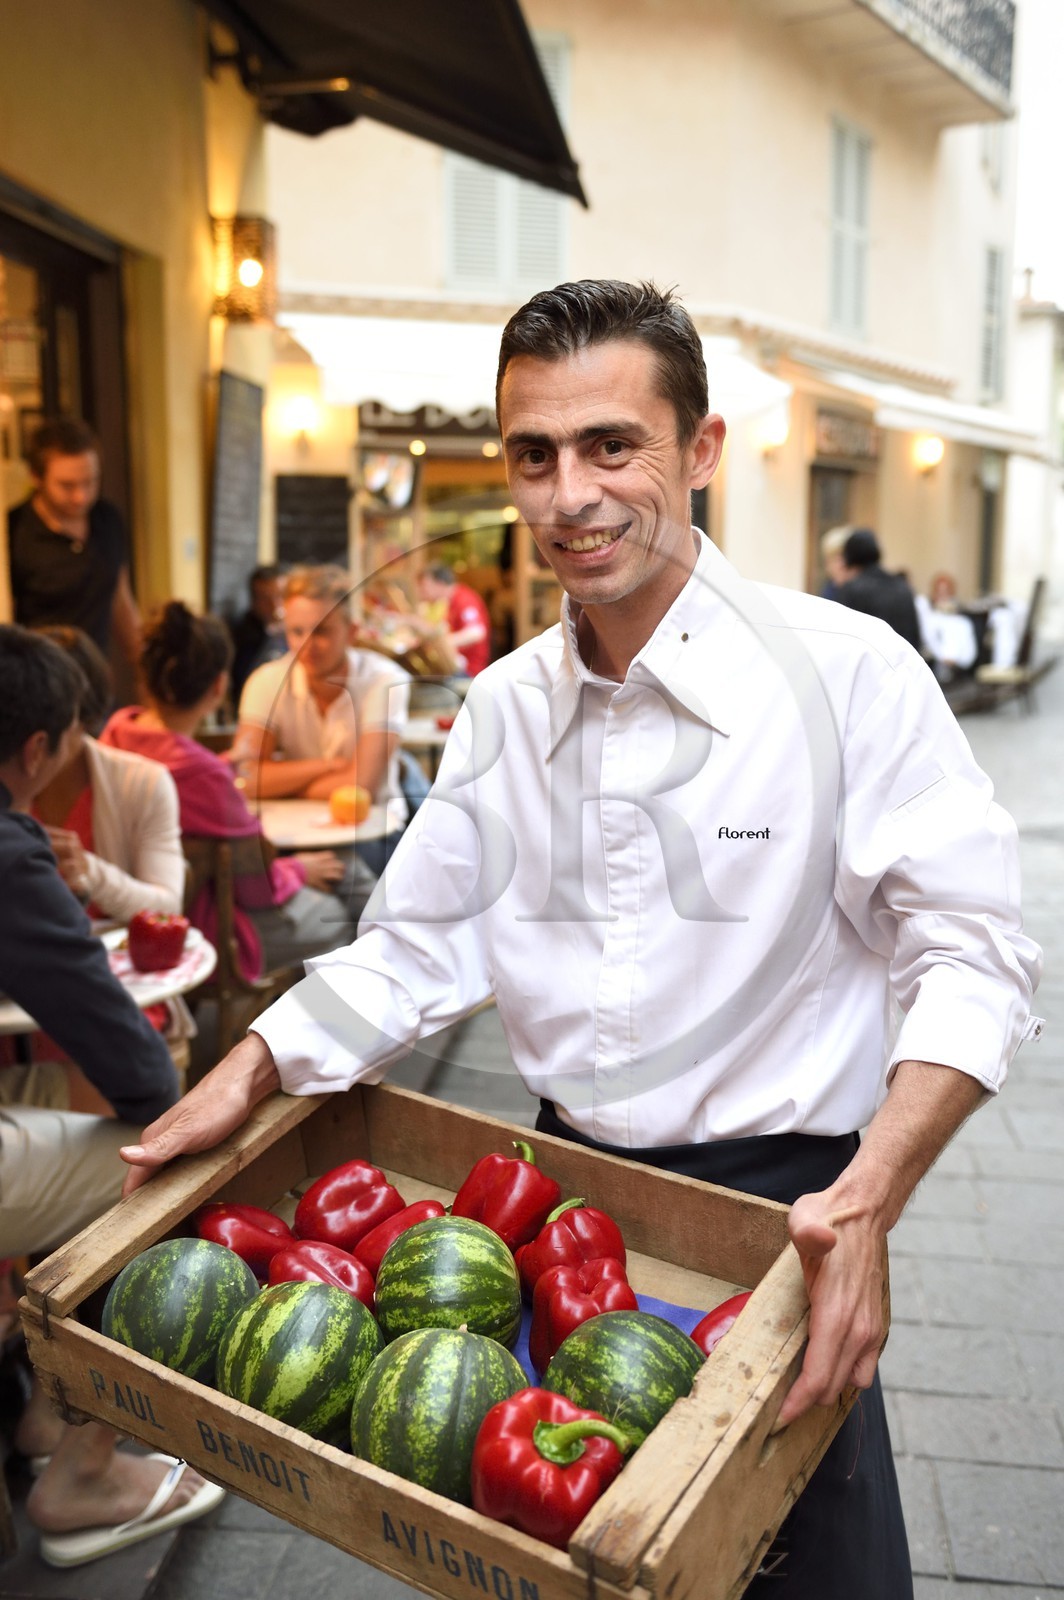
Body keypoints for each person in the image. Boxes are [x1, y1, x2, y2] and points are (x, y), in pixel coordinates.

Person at [118, 281, 1041, 1599]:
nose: (569, 495)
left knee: (799, 1572)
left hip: (787, 1225)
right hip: (553, 1219)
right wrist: (249, 1067)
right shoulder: (500, 711)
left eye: (613, 446)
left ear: (700, 452)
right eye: (535, 455)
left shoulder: (847, 678)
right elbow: (419, 946)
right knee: (568, 1554)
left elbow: (974, 950)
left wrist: (870, 1198)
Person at [0, 625, 224, 1564]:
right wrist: (173, 1115)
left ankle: (46, 1403)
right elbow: (120, 1045)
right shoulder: (11, 850)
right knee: (174, 1164)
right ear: (39, 749)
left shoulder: (140, 781)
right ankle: (86, 1465)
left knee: (75, 1096)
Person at [102, 602, 361, 976]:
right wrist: (298, 869)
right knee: (342, 908)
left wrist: (219, 768)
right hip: (205, 929)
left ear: (144, 677)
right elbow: (259, 887)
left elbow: (169, 781)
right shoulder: (205, 779)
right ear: (219, 686)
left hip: (123, 915)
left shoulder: (115, 737)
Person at [233, 564, 412, 875]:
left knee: (339, 877)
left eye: (322, 631)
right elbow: (245, 777)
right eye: (296, 631)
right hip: (292, 832)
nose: (306, 645)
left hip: (372, 831)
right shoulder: (267, 680)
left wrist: (278, 782)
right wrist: (328, 768)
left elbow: (359, 788)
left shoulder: (385, 680)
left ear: (352, 632)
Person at [31, 626, 184, 924]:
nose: (37, 738)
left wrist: (89, 871)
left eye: (54, 715)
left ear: (84, 716)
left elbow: (167, 908)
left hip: (108, 961)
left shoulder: (143, 782)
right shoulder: (13, 779)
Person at [7, 419, 142, 672]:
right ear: (36, 477)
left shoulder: (108, 519)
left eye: (90, 482)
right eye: (67, 486)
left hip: (97, 685)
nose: (81, 496)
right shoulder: (13, 531)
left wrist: (146, 673)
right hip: (41, 687)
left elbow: (121, 600)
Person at [832, 527, 923, 651]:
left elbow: (843, 641)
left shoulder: (852, 590)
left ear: (849, 557)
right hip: (902, 665)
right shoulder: (902, 587)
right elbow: (914, 637)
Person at [412, 563, 492, 677]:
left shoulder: (465, 599)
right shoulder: (448, 601)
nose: (421, 590)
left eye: (424, 586)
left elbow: (477, 632)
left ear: (439, 584)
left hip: (469, 670)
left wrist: (443, 643)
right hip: (454, 664)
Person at [227, 563, 287, 707]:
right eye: (266, 598)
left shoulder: (297, 628)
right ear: (254, 601)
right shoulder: (241, 635)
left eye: (280, 596)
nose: (275, 605)